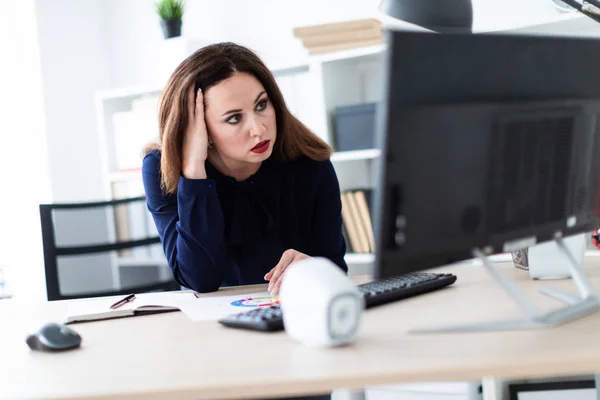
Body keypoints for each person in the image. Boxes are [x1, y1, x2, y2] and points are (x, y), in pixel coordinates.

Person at [141, 42, 348, 299]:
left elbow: (335, 271)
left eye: (261, 105)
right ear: (200, 129)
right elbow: (199, 279)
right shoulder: (161, 170)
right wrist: (194, 170)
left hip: (295, 315)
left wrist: (314, 269)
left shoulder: (310, 162)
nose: (258, 129)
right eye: (234, 118)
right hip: (209, 327)